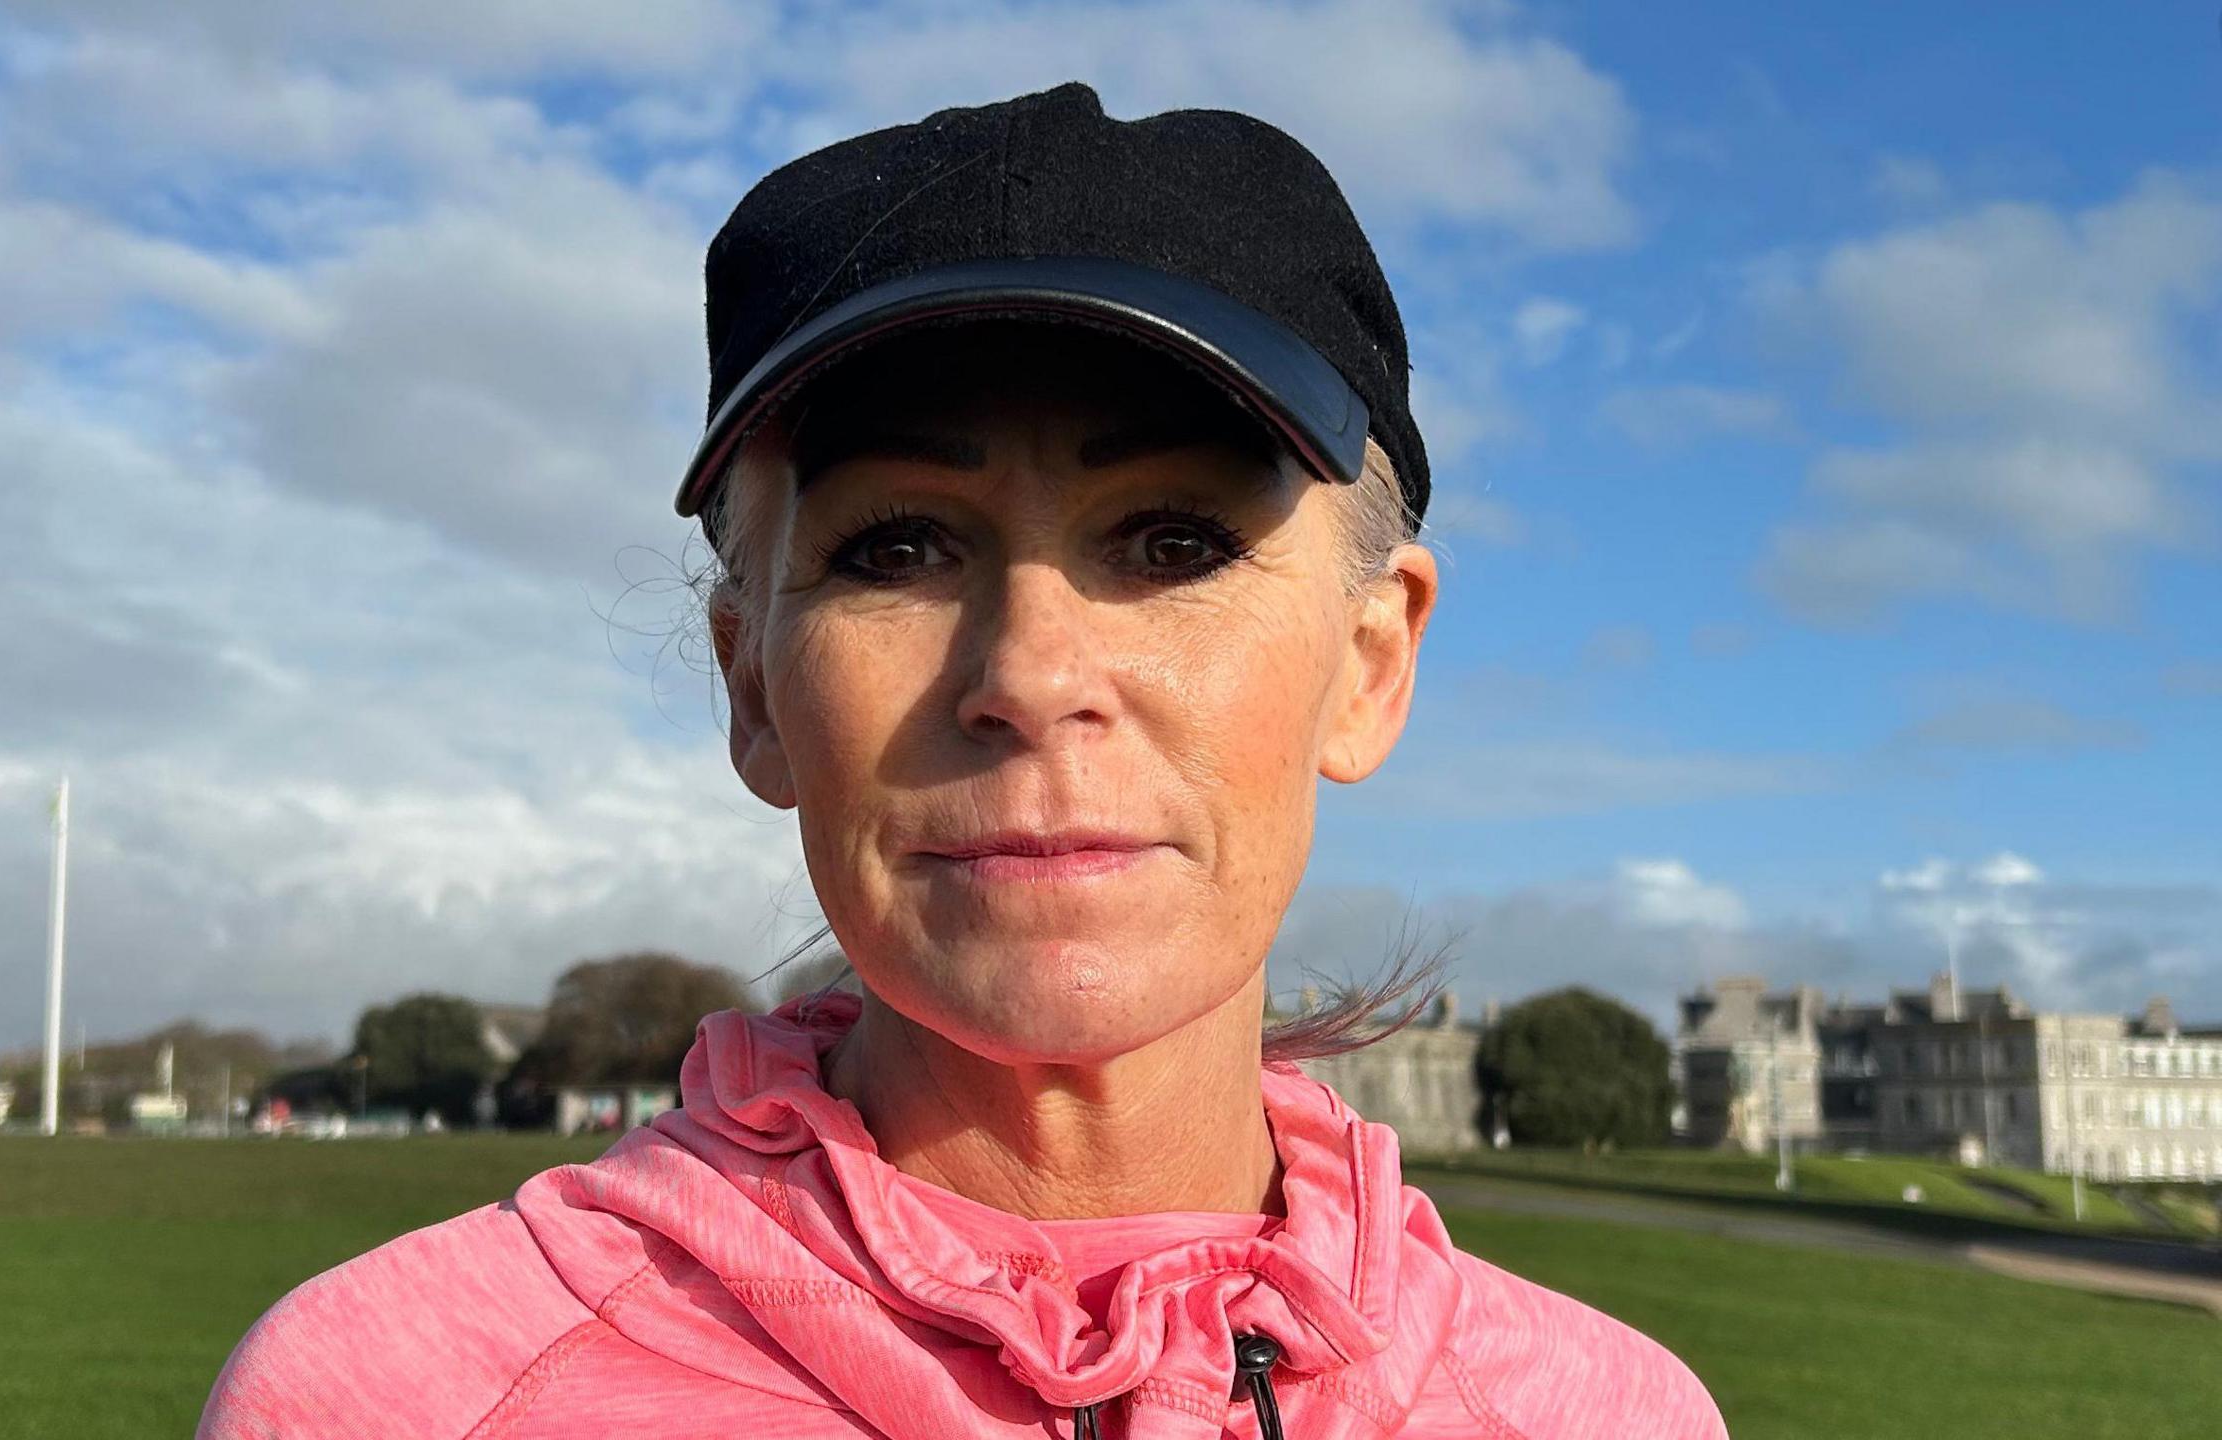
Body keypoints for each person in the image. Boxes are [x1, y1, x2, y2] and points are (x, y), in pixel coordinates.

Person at [196, 82, 1727, 1440]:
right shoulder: (391, 1403)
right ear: (752, 687)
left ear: (1371, 661)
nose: (1030, 676)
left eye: (1174, 540)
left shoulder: (1616, 1416)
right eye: (898, 545)